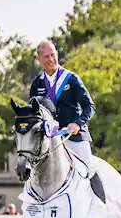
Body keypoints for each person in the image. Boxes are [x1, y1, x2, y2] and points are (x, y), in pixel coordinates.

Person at [29, 39, 105, 202]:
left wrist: (77, 123)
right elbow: (33, 114)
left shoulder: (71, 79)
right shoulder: (36, 84)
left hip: (74, 136)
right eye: (46, 56)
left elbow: (89, 106)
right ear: (39, 60)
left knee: (89, 170)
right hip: (49, 141)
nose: (51, 59)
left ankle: (102, 207)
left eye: (53, 55)